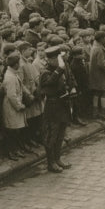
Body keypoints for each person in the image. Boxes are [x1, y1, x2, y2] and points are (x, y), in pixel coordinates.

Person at [40, 42, 74, 173]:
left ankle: (58, 158)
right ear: (50, 59)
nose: (60, 61)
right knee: (51, 135)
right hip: (52, 107)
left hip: (62, 104)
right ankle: (51, 162)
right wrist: (59, 69)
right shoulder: (45, 72)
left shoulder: (61, 69)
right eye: (57, 58)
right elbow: (48, 83)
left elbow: (66, 81)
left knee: (60, 134)